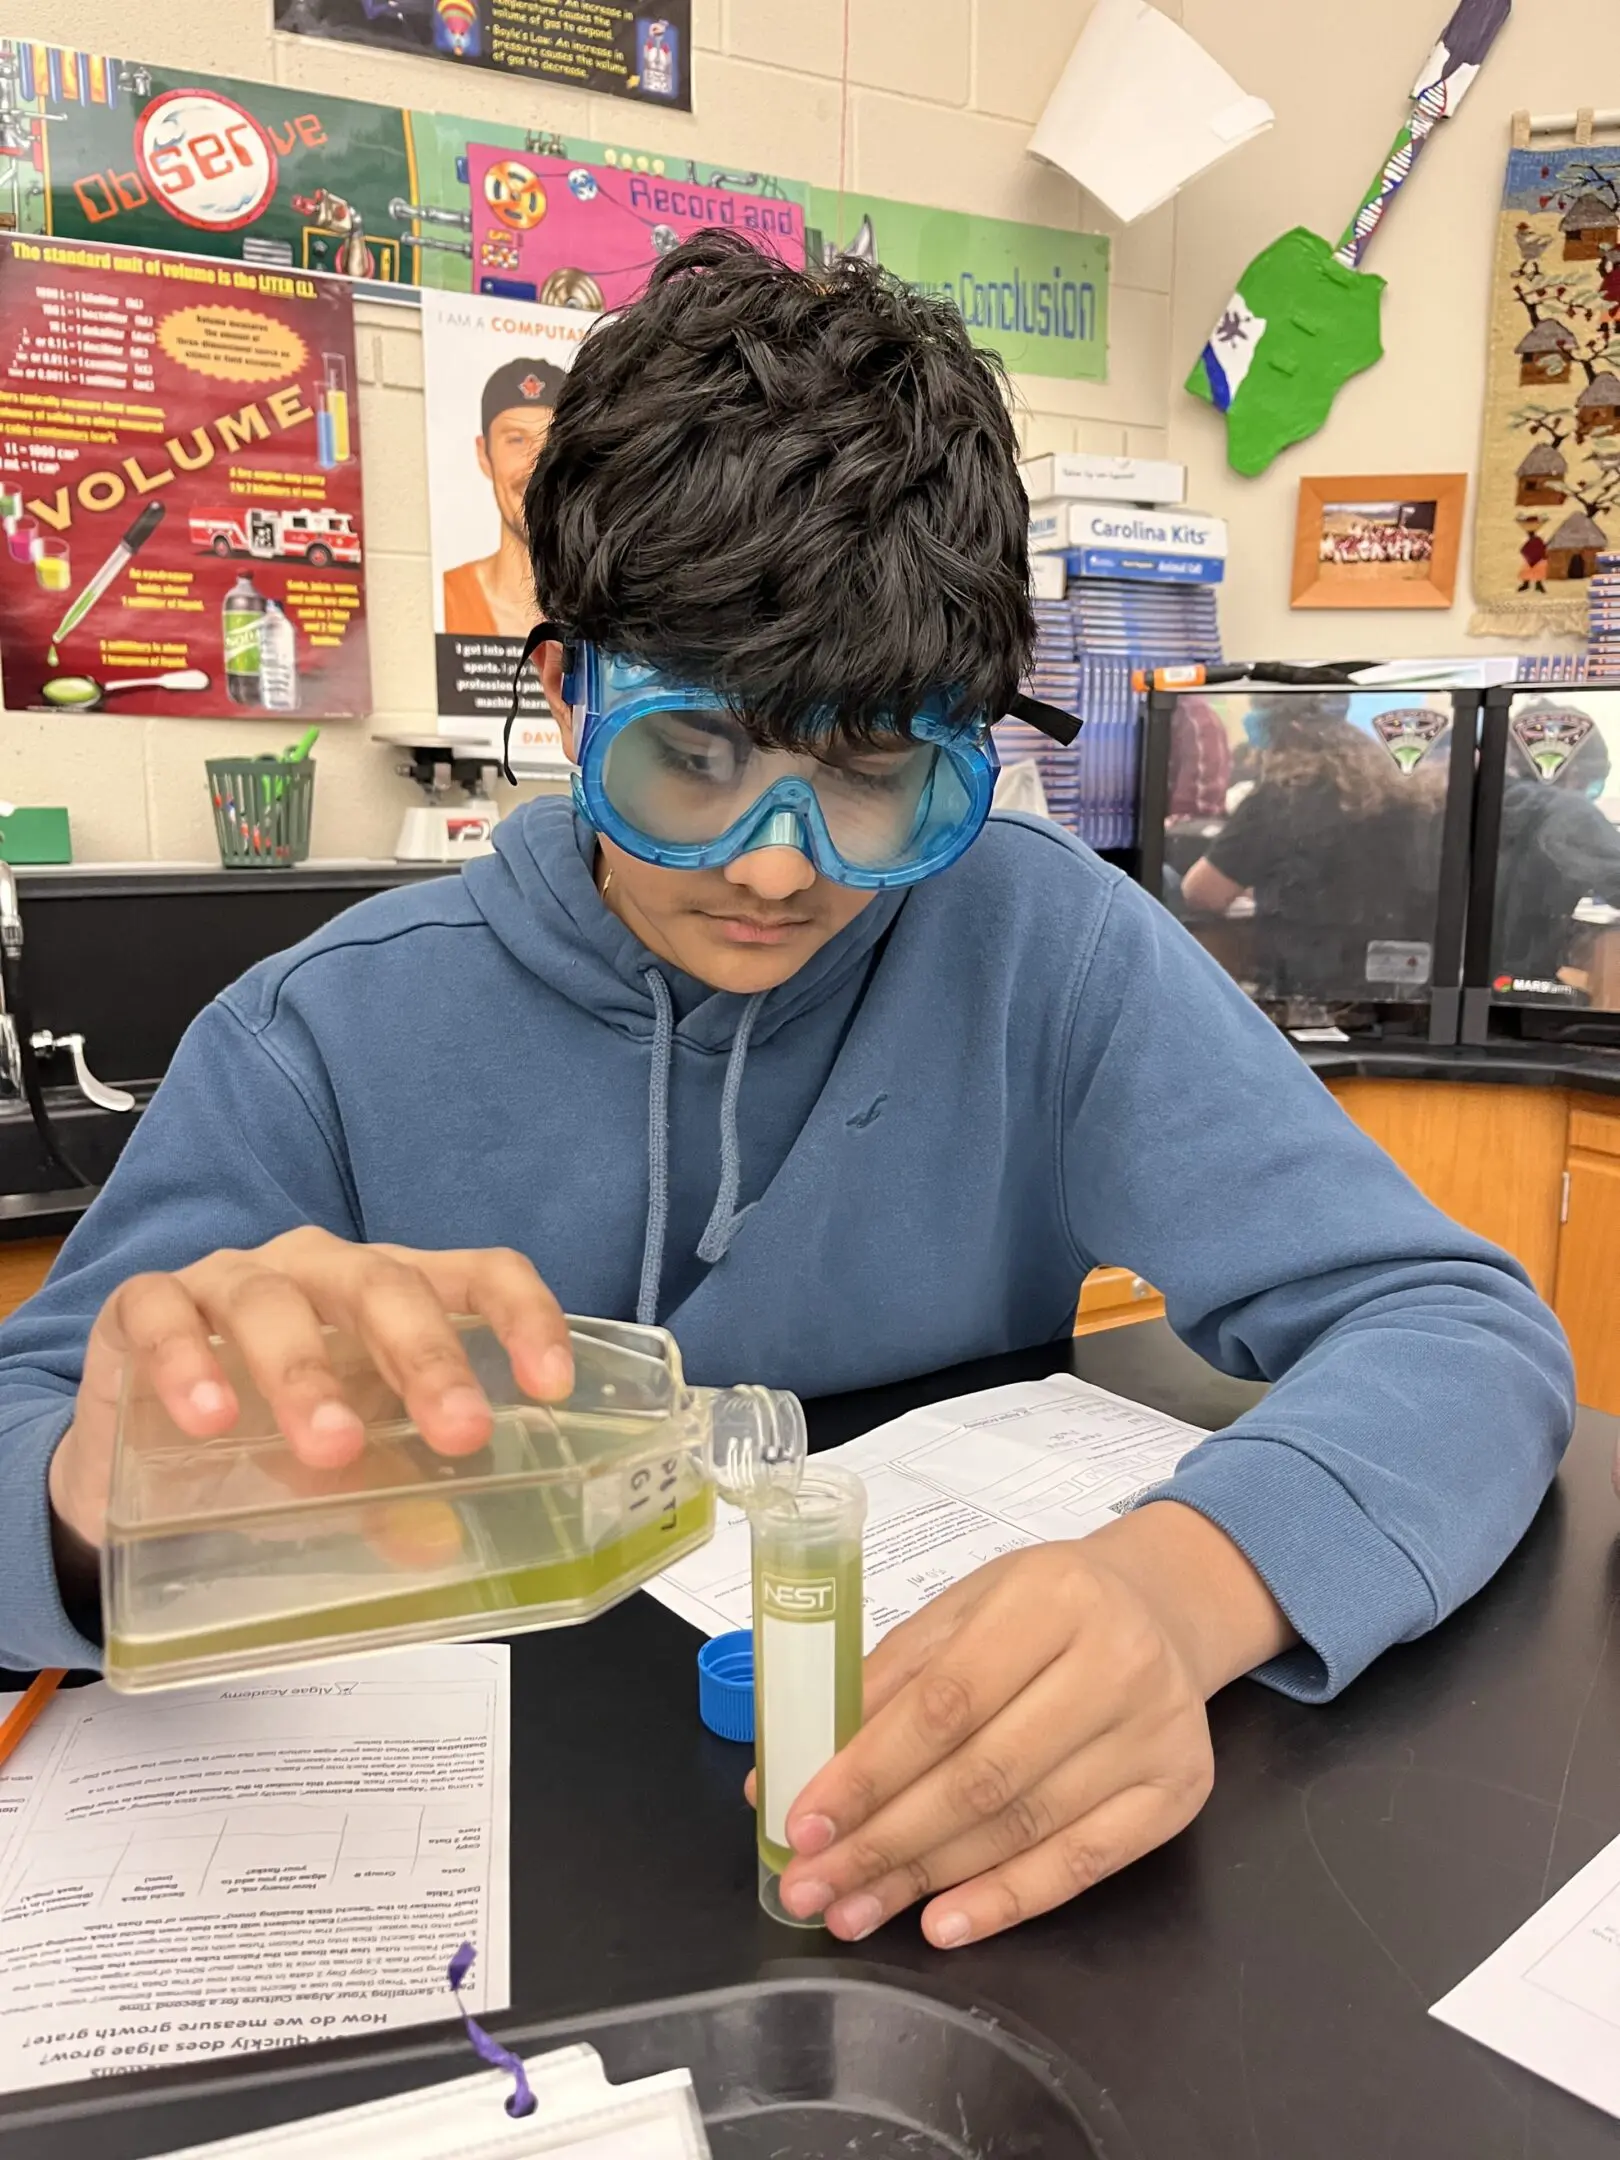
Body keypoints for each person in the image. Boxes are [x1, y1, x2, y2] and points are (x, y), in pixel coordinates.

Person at [0, 236, 1573, 1956]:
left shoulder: (1040, 949)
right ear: (567, 695)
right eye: (694, 759)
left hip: (901, 1879)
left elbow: (1457, 1330)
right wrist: (105, 1499)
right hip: (474, 1896)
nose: (776, 865)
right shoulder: (316, 1038)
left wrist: (1187, 1586)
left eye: (876, 779)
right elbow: (26, 1466)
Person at [1179, 697, 1449, 1004]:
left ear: (1287, 729)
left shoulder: (1280, 796)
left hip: (1309, 988)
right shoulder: (1401, 792)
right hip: (1401, 985)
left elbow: (1201, 892)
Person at [1492, 704, 1620, 987]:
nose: (1590, 795)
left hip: (1444, 996)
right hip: (1522, 995)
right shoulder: (1567, 813)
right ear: (1570, 770)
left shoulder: (1462, 797)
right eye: (1594, 782)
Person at [441, 357, 566, 637]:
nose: (535, 464)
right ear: (484, 454)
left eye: (552, 442)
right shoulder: (449, 597)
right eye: (516, 440)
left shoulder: (607, 610)